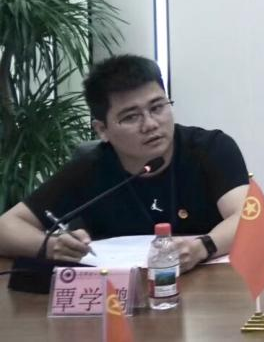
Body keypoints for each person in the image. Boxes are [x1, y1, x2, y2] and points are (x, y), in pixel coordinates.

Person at [0, 55, 249, 272]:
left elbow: (247, 217)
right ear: (102, 130)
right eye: (131, 117)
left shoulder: (210, 148)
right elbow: (6, 227)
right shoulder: (89, 168)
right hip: (121, 294)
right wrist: (51, 245)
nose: (150, 124)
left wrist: (202, 247)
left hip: (209, 285)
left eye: (157, 107)